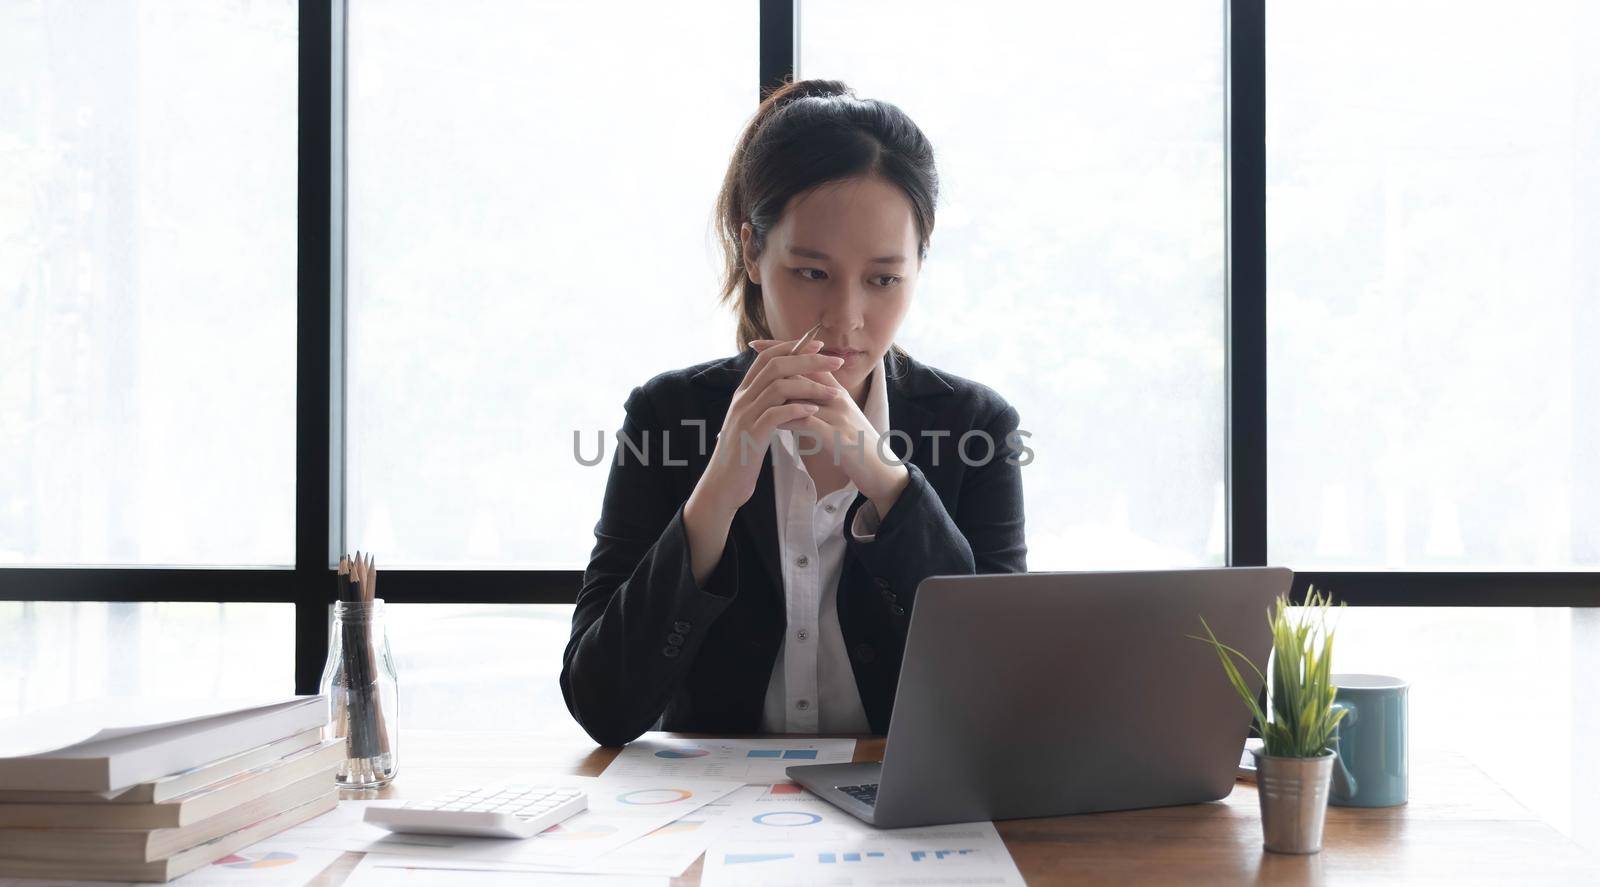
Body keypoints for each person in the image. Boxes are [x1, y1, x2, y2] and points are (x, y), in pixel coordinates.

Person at [560, 78, 1028, 747]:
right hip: (710, 820)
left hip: (904, 824)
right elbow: (602, 704)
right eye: (812, 273)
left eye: (883, 279)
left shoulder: (977, 427)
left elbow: (1004, 691)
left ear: (920, 262)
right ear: (752, 251)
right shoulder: (666, 417)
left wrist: (886, 480)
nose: (846, 320)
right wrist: (717, 490)